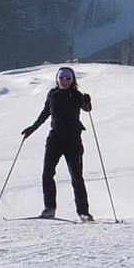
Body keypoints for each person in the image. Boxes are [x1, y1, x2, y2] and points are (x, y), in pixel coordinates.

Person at [21, 66, 94, 222]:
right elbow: (45, 113)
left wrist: (87, 101)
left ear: (72, 80)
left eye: (68, 78)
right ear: (57, 79)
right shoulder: (52, 94)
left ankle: (83, 212)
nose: (64, 81)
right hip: (55, 138)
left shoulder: (77, 95)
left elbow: (87, 109)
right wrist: (32, 129)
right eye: (62, 78)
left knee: (76, 176)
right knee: (47, 173)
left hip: (73, 139)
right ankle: (49, 208)